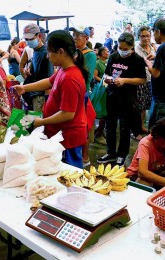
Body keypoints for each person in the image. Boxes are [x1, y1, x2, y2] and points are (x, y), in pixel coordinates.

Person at [15, 30, 88, 168]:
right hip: (59, 134)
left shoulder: (70, 78)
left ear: (61, 51)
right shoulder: (63, 69)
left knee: (68, 175)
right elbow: (49, 81)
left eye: (49, 52)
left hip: (68, 138)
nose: (48, 56)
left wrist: (41, 121)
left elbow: (68, 114)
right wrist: (25, 88)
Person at [97, 32, 147, 166]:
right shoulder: (113, 56)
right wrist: (107, 80)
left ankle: (122, 154)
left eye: (125, 49)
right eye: (120, 47)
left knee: (125, 128)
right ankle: (110, 153)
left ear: (132, 47)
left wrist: (125, 80)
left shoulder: (137, 60)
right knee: (110, 126)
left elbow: (142, 79)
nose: (122, 51)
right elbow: (106, 74)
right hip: (112, 96)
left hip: (128, 98)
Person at [127, 117, 165, 189]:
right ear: (157, 135)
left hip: (155, 175)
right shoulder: (145, 144)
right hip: (136, 177)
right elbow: (142, 173)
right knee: (144, 183)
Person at [69, 26, 97, 167]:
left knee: (83, 127)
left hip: (82, 96)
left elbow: (87, 77)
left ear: (86, 38)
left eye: (78, 35)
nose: (74, 38)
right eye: (73, 35)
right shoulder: (72, 52)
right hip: (74, 94)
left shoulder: (90, 55)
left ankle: (84, 158)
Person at [20, 23, 54, 111]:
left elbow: (50, 80)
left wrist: (46, 102)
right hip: (34, 95)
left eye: (30, 39)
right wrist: (30, 74)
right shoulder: (36, 51)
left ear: (39, 36)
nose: (28, 42)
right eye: (26, 39)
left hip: (41, 97)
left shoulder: (46, 53)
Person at [135, 26, 156, 134]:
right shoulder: (136, 50)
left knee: (147, 105)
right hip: (140, 81)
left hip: (151, 80)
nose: (146, 38)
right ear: (139, 37)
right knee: (140, 107)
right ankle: (137, 129)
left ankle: (141, 126)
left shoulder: (153, 48)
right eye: (143, 36)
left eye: (148, 36)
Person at [92, 46, 109, 145]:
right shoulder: (98, 63)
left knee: (106, 112)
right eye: (106, 51)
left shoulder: (108, 62)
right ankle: (98, 133)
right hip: (101, 89)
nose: (108, 52)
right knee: (102, 112)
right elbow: (95, 76)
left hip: (107, 89)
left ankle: (100, 130)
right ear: (102, 53)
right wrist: (104, 82)